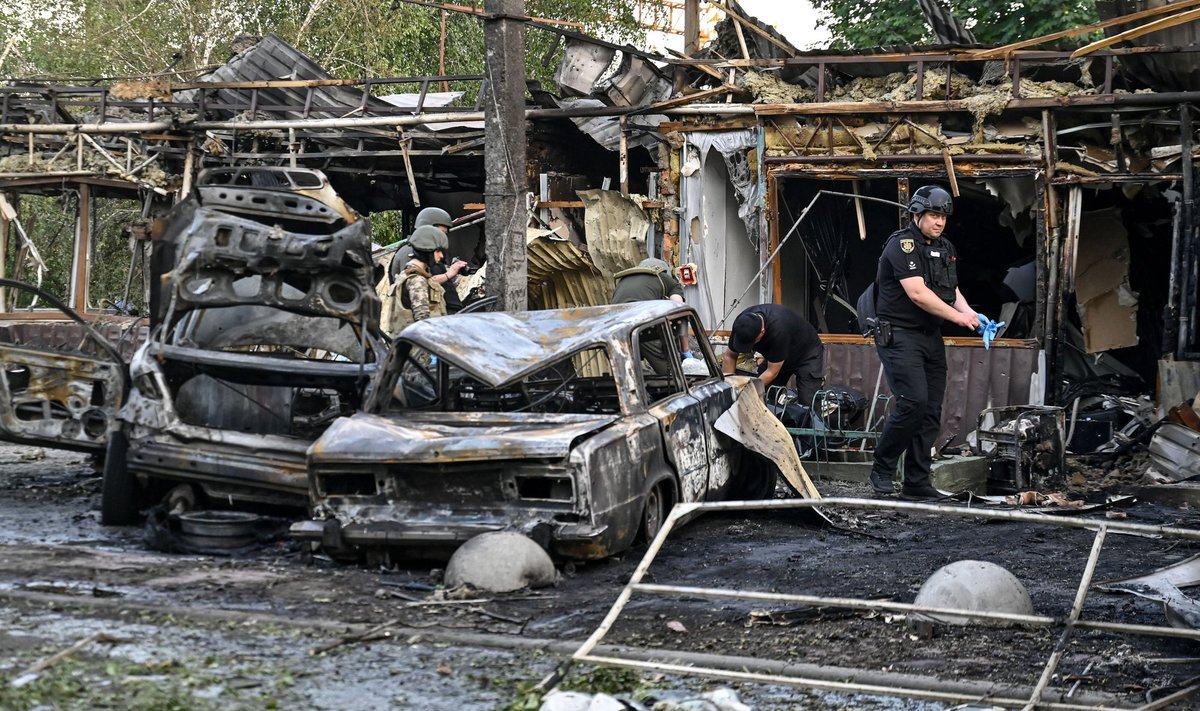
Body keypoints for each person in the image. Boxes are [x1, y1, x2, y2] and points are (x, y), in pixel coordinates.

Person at [868, 185, 980, 500]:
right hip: (900, 335)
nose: (939, 221)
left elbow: (950, 290)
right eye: (933, 214)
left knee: (930, 410)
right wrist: (957, 320)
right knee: (912, 403)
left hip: (930, 337)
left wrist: (971, 314)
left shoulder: (945, 247)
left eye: (943, 216)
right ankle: (882, 468)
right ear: (916, 214)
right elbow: (918, 293)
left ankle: (917, 482)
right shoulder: (901, 245)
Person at [721, 304, 824, 407]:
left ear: (762, 332)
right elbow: (730, 356)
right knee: (764, 396)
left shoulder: (778, 330)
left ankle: (810, 420)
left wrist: (746, 391)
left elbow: (772, 372)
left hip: (807, 353)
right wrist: (728, 387)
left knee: (808, 402)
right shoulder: (741, 323)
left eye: (751, 343)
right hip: (776, 356)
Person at [613, 257, 689, 374]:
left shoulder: (623, 281)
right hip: (642, 327)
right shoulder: (665, 279)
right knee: (671, 375)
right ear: (664, 271)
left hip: (616, 331)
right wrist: (685, 351)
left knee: (628, 376)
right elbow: (679, 312)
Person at [380, 225, 446, 336]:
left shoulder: (406, 275)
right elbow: (422, 321)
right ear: (427, 250)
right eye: (438, 251)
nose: (441, 256)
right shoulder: (417, 281)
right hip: (419, 350)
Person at [402, 206, 469, 314]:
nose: (442, 237)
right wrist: (448, 274)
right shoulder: (413, 250)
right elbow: (415, 283)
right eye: (441, 232)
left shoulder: (429, 253)